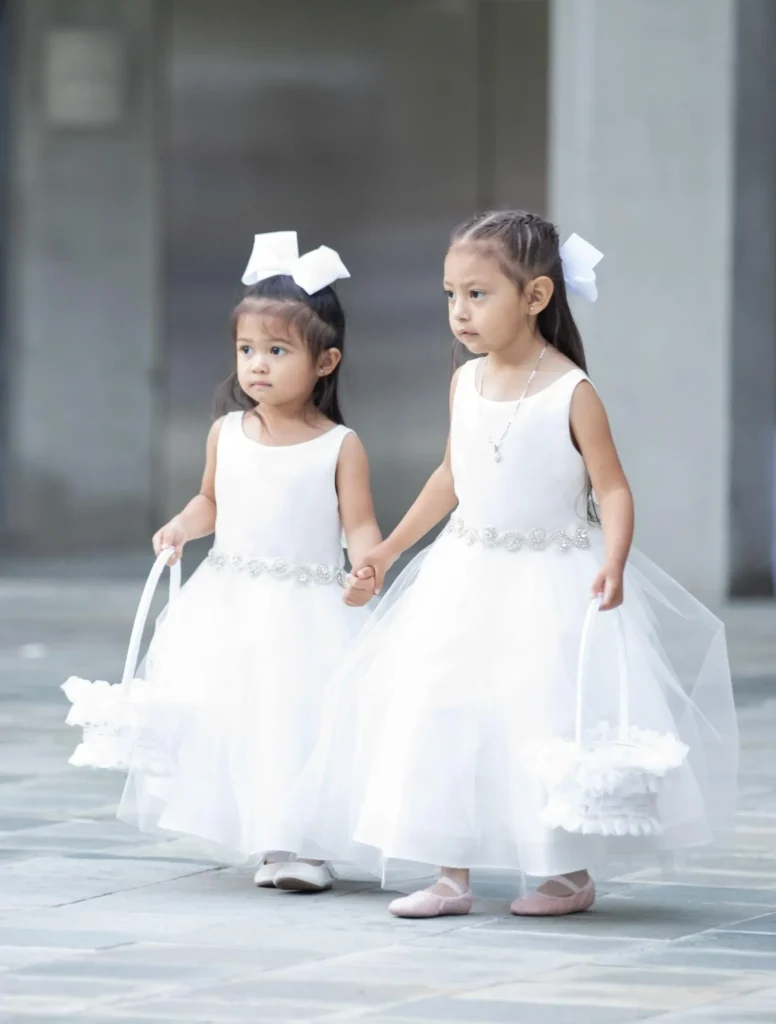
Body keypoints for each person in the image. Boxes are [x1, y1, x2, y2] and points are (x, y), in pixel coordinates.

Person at [292, 210, 738, 917]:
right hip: (464, 574)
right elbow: (451, 476)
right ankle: (450, 873)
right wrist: (386, 547)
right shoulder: (465, 383)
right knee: (442, 706)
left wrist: (614, 561)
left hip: (549, 579)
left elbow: (612, 485)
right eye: (449, 295)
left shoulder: (570, 390)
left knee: (539, 715)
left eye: (478, 294)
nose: (459, 313)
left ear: (534, 297)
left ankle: (563, 872)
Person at [118, 231, 380, 894]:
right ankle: (271, 841)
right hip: (232, 600)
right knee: (244, 721)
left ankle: (306, 844)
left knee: (301, 719)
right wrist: (181, 526)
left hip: (308, 607)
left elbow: (359, 524)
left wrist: (367, 565)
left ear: (326, 362)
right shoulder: (226, 433)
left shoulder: (340, 446)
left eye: (276, 350)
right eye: (246, 350)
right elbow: (212, 501)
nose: (256, 365)